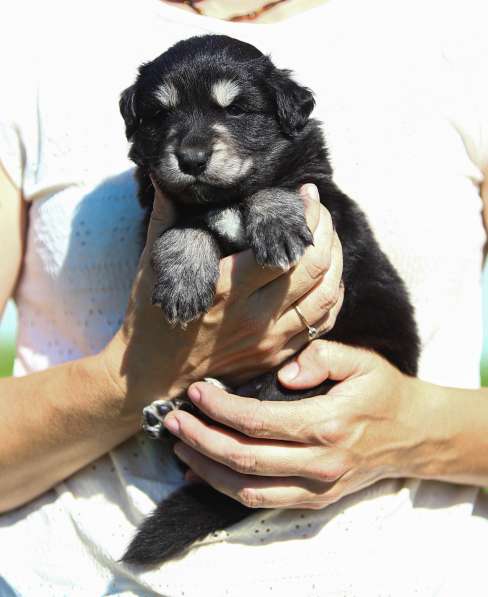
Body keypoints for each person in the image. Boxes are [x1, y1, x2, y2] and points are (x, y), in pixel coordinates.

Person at [0, 0, 487, 595]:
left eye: (232, 112)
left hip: (415, 570)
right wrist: (134, 378)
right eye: (164, 118)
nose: (194, 145)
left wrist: (406, 429)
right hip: (68, 574)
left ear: (287, 116)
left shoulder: (462, 31)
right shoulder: (30, 31)